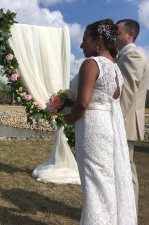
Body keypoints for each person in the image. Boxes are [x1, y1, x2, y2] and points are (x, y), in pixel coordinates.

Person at [64, 19, 137, 224]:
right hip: (108, 126)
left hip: (92, 128)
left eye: (85, 39)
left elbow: (83, 103)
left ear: (99, 40)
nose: (81, 45)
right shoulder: (115, 69)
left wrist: (68, 118)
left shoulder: (91, 64)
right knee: (106, 181)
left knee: (94, 184)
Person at [116, 19, 149, 213]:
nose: (114, 35)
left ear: (130, 34)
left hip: (125, 122)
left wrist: (113, 122)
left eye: (117, 31)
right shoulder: (124, 55)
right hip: (125, 120)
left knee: (126, 170)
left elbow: (126, 93)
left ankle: (129, 214)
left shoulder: (133, 55)